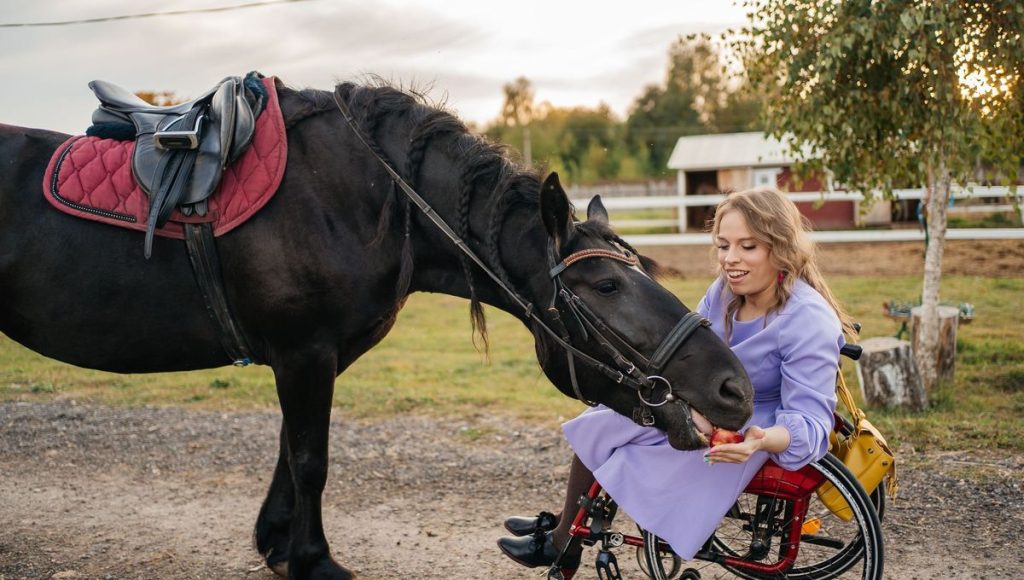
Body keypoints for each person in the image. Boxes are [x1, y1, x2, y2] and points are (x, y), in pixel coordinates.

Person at [497, 187, 858, 572]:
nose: (730, 259)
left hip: (757, 424)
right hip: (708, 400)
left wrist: (760, 440)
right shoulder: (724, 293)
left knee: (628, 442)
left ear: (782, 248)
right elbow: (691, 356)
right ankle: (567, 532)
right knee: (609, 414)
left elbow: (812, 424)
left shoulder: (808, 320)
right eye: (723, 246)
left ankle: (565, 539)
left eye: (748, 247)